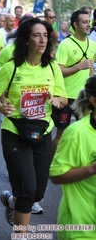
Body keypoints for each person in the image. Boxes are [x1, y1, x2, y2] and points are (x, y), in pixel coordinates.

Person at [0, 18, 67, 234]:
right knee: (27, 191)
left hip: (43, 130)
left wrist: (59, 100)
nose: (42, 40)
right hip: (15, 131)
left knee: (37, 194)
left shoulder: (51, 67)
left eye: (45, 35)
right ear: (26, 40)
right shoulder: (11, 68)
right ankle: (20, 234)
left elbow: (62, 96)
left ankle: (11, 201)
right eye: (36, 35)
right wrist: (1, 108)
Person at [50, 75, 96, 240]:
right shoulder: (77, 132)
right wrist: (92, 168)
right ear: (94, 101)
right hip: (81, 227)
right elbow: (55, 175)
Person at [52, 10, 96, 153]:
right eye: (84, 22)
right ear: (75, 25)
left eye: (89, 22)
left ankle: (81, 165)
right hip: (66, 96)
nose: (88, 25)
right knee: (61, 134)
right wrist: (79, 67)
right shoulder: (66, 45)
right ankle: (50, 166)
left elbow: (90, 70)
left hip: (83, 98)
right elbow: (58, 72)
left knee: (87, 132)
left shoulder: (93, 45)